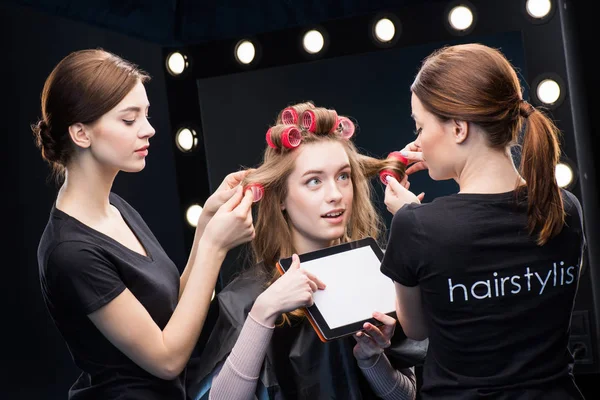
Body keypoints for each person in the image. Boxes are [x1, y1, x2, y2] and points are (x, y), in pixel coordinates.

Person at [33, 49, 256, 399]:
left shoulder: (114, 208)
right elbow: (167, 359)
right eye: (129, 120)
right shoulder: (71, 252)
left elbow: (171, 311)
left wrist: (207, 224)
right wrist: (215, 247)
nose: (149, 130)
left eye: (146, 116)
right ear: (81, 133)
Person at [380, 43, 587, 399]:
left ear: (458, 128)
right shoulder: (564, 206)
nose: (417, 141)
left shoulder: (417, 226)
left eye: (421, 126)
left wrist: (408, 217)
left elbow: (415, 328)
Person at [186, 102, 427, 400]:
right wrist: (263, 313)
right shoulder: (248, 297)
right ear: (282, 197)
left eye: (343, 176)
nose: (335, 195)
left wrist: (371, 358)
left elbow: (408, 396)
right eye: (314, 181)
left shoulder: (379, 272)